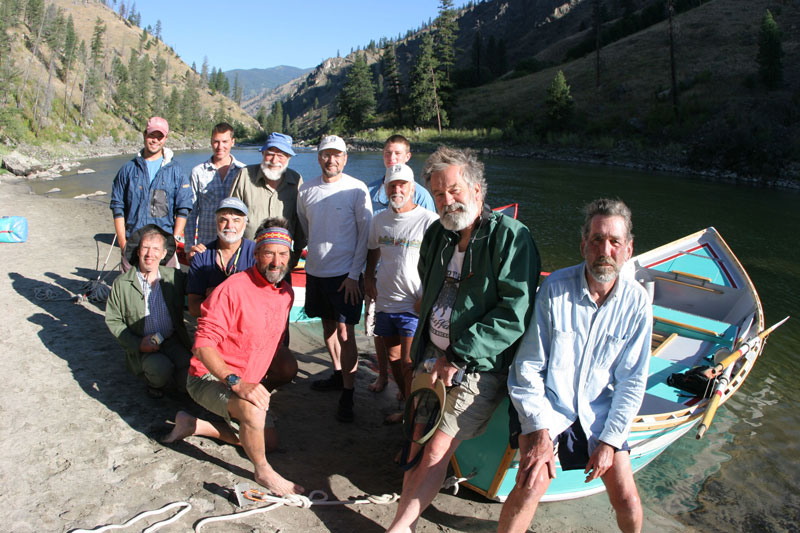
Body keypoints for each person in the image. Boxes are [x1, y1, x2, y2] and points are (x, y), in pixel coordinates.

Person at [386, 147, 540, 533]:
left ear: (476, 190)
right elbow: (429, 285)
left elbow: (514, 313)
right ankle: (403, 523)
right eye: (438, 194)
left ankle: (399, 527)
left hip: (475, 366)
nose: (447, 200)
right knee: (416, 442)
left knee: (438, 448)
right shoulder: (438, 233)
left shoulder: (511, 237)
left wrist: (458, 354)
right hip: (430, 357)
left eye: (454, 190)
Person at [499, 198, 652, 533]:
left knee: (627, 499)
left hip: (599, 412)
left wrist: (610, 442)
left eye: (614, 242)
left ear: (628, 249)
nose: (605, 250)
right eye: (597, 239)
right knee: (530, 486)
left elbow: (632, 381)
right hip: (549, 407)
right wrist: (539, 433)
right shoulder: (554, 289)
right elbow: (527, 369)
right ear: (584, 244)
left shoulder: (637, 302)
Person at [161, 218, 303, 497]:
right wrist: (237, 383)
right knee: (253, 413)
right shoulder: (233, 288)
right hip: (208, 376)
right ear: (256, 254)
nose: (276, 261)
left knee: (271, 430)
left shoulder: (286, 291)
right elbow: (202, 345)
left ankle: (194, 424)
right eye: (268, 253)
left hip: (247, 376)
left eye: (283, 254)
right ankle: (263, 471)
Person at [296, 135, 372, 423]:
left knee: (346, 332)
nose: (332, 160)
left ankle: (348, 393)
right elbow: (306, 225)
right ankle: (338, 374)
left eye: (337, 155)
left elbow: (365, 235)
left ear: (345, 158)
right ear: (319, 158)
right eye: (326, 154)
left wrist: (355, 275)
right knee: (327, 325)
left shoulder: (356, 188)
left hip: (345, 275)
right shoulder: (307, 190)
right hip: (316, 271)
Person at [364, 163, 438, 423]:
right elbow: (373, 249)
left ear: (412, 188)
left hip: (413, 303)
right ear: (385, 189)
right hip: (386, 301)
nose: (397, 189)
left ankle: (413, 414)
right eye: (392, 185)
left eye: (402, 184)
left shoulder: (429, 221)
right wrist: (368, 276)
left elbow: (440, 263)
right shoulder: (379, 219)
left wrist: (426, 296)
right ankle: (407, 402)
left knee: (408, 362)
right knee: (394, 358)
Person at [105, 224, 192, 398]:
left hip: (172, 340)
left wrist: (197, 258)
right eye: (145, 248)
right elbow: (113, 320)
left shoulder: (175, 277)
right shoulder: (122, 283)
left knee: (191, 372)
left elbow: (197, 288)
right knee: (161, 370)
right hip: (143, 344)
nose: (149, 254)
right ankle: (153, 384)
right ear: (138, 252)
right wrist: (138, 343)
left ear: (163, 254)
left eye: (155, 249)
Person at [110, 116, 192, 271]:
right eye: (151, 135)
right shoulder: (127, 170)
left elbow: (184, 207)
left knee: (168, 291)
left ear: (166, 138)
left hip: (164, 244)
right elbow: (117, 207)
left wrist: (174, 240)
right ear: (144, 135)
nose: (155, 140)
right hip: (133, 243)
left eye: (159, 136)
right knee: (131, 291)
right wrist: (122, 242)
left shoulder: (176, 171)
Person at [230, 132, 306, 269]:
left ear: (288, 157)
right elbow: (231, 215)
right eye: (270, 153)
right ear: (263, 153)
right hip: (247, 255)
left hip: (281, 259)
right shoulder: (245, 176)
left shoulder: (296, 180)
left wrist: (298, 250)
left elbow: (300, 219)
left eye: (281, 155)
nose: (274, 160)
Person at [186, 197, 255, 317]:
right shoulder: (201, 257)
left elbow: (259, 302)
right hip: (212, 327)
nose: (230, 225)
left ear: (245, 224)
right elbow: (194, 308)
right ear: (216, 222)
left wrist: (217, 294)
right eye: (223, 220)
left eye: (236, 220)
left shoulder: (256, 254)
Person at [184, 122, 246, 248]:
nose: (220, 146)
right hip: (206, 244)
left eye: (225, 142)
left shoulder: (243, 171)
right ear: (211, 142)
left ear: (232, 142)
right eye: (216, 141)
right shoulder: (198, 172)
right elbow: (191, 212)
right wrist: (189, 246)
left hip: (234, 245)